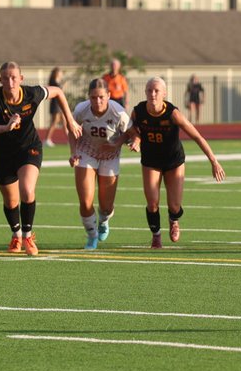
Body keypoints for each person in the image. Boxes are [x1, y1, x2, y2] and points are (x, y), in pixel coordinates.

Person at [0, 61, 79, 256]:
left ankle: (28, 236)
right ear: (0, 80)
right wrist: (5, 127)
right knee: (10, 200)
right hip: (2, 153)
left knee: (27, 189)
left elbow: (57, 91)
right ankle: (16, 235)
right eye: (5, 78)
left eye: (14, 77)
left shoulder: (32, 93)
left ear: (21, 79)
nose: (10, 81)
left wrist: (70, 119)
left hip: (28, 148)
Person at [127, 76, 225, 248]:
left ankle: (174, 220)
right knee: (152, 202)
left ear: (164, 93)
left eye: (157, 90)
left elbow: (196, 136)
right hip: (151, 160)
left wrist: (213, 161)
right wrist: (135, 139)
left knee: (174, 204)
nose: (153, 94)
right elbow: (131, 129)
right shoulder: (138, 111)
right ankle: (156, 235)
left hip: (173, 160)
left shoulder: (173, 114)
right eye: (149, 90)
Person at [68, 78, 135, 249]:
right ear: (88, 97)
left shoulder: (118, 112)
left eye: (101, 97)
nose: (97, 101)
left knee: (106, 206)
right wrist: (74, 152)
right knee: (85, 201)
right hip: (87, 152)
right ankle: (92, 236)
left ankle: (104, 221)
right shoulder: (81, 109)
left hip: (110, 156)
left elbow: (131, 132)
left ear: (109, 96)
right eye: (93, 97)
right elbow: (71, 127)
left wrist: (120, 143)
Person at [43, 67, 65, 147]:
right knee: (54, 121)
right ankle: (47, 139)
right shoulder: (53, 81)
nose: (61, 74)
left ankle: (69, 138)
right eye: (60, 73)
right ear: (56, 73)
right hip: (55, 104)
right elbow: (58, 91)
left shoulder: (57, 81)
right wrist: (63, 86)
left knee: (65, 121)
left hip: (59, 104)